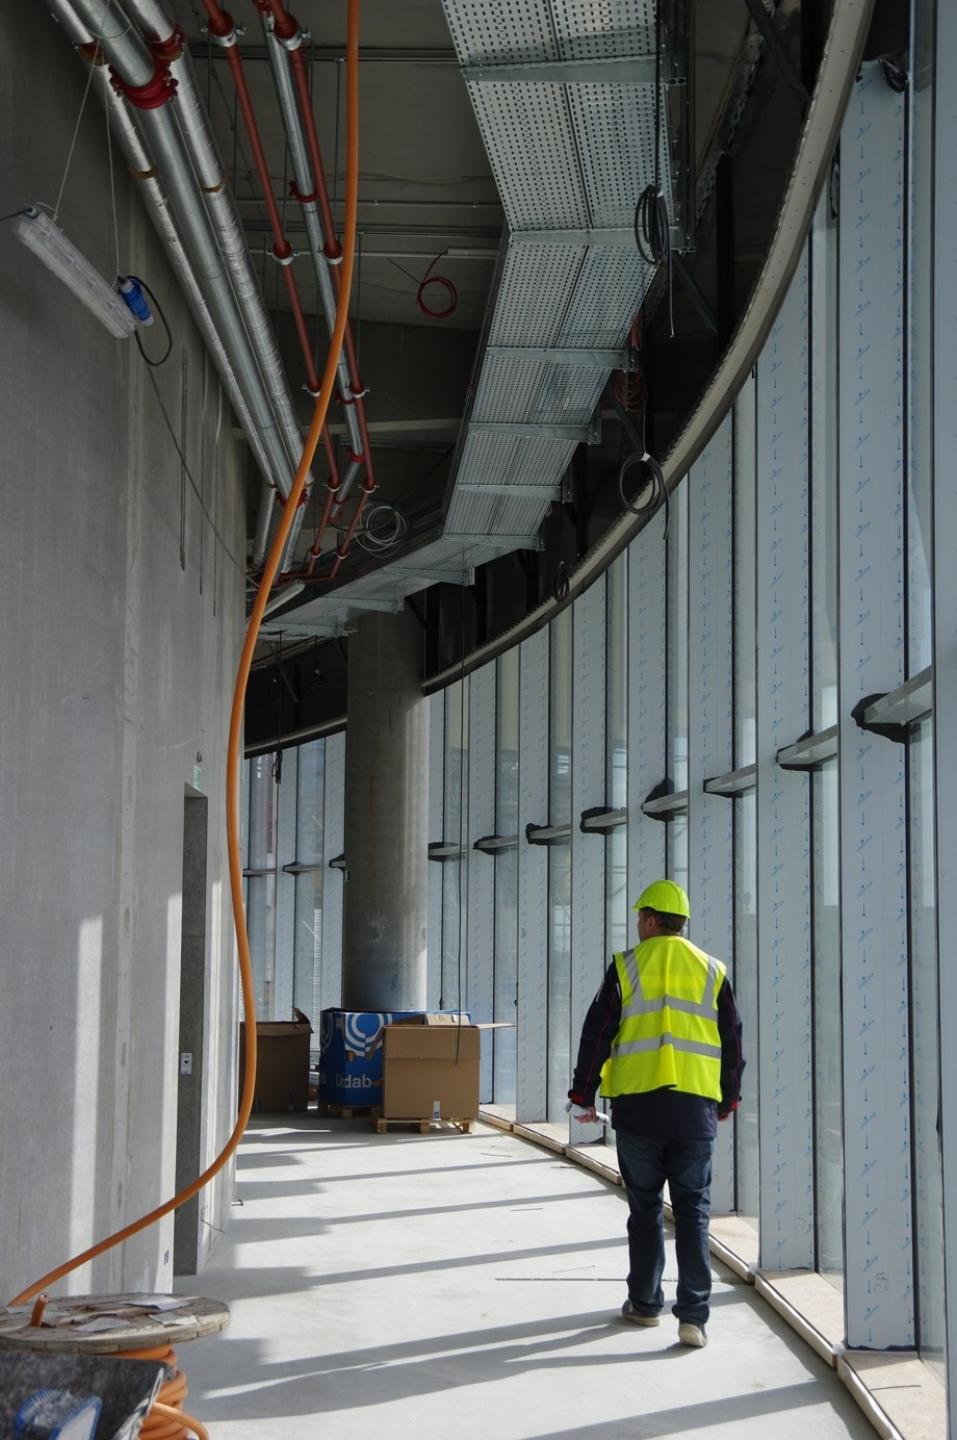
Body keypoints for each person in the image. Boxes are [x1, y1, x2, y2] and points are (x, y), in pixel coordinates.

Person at [568, 879, 744, 1350]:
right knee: (693, 1213)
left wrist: (583, 1095)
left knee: (645, 1211)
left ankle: (645, 1305)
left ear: (649, 920)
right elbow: (732, 1041)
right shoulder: (712, 970)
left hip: (639, 1111)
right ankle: (694, 1318)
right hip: (694, 1113)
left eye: (639, 919)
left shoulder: (626, 967)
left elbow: (599, 1033)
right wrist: (727, 1099)